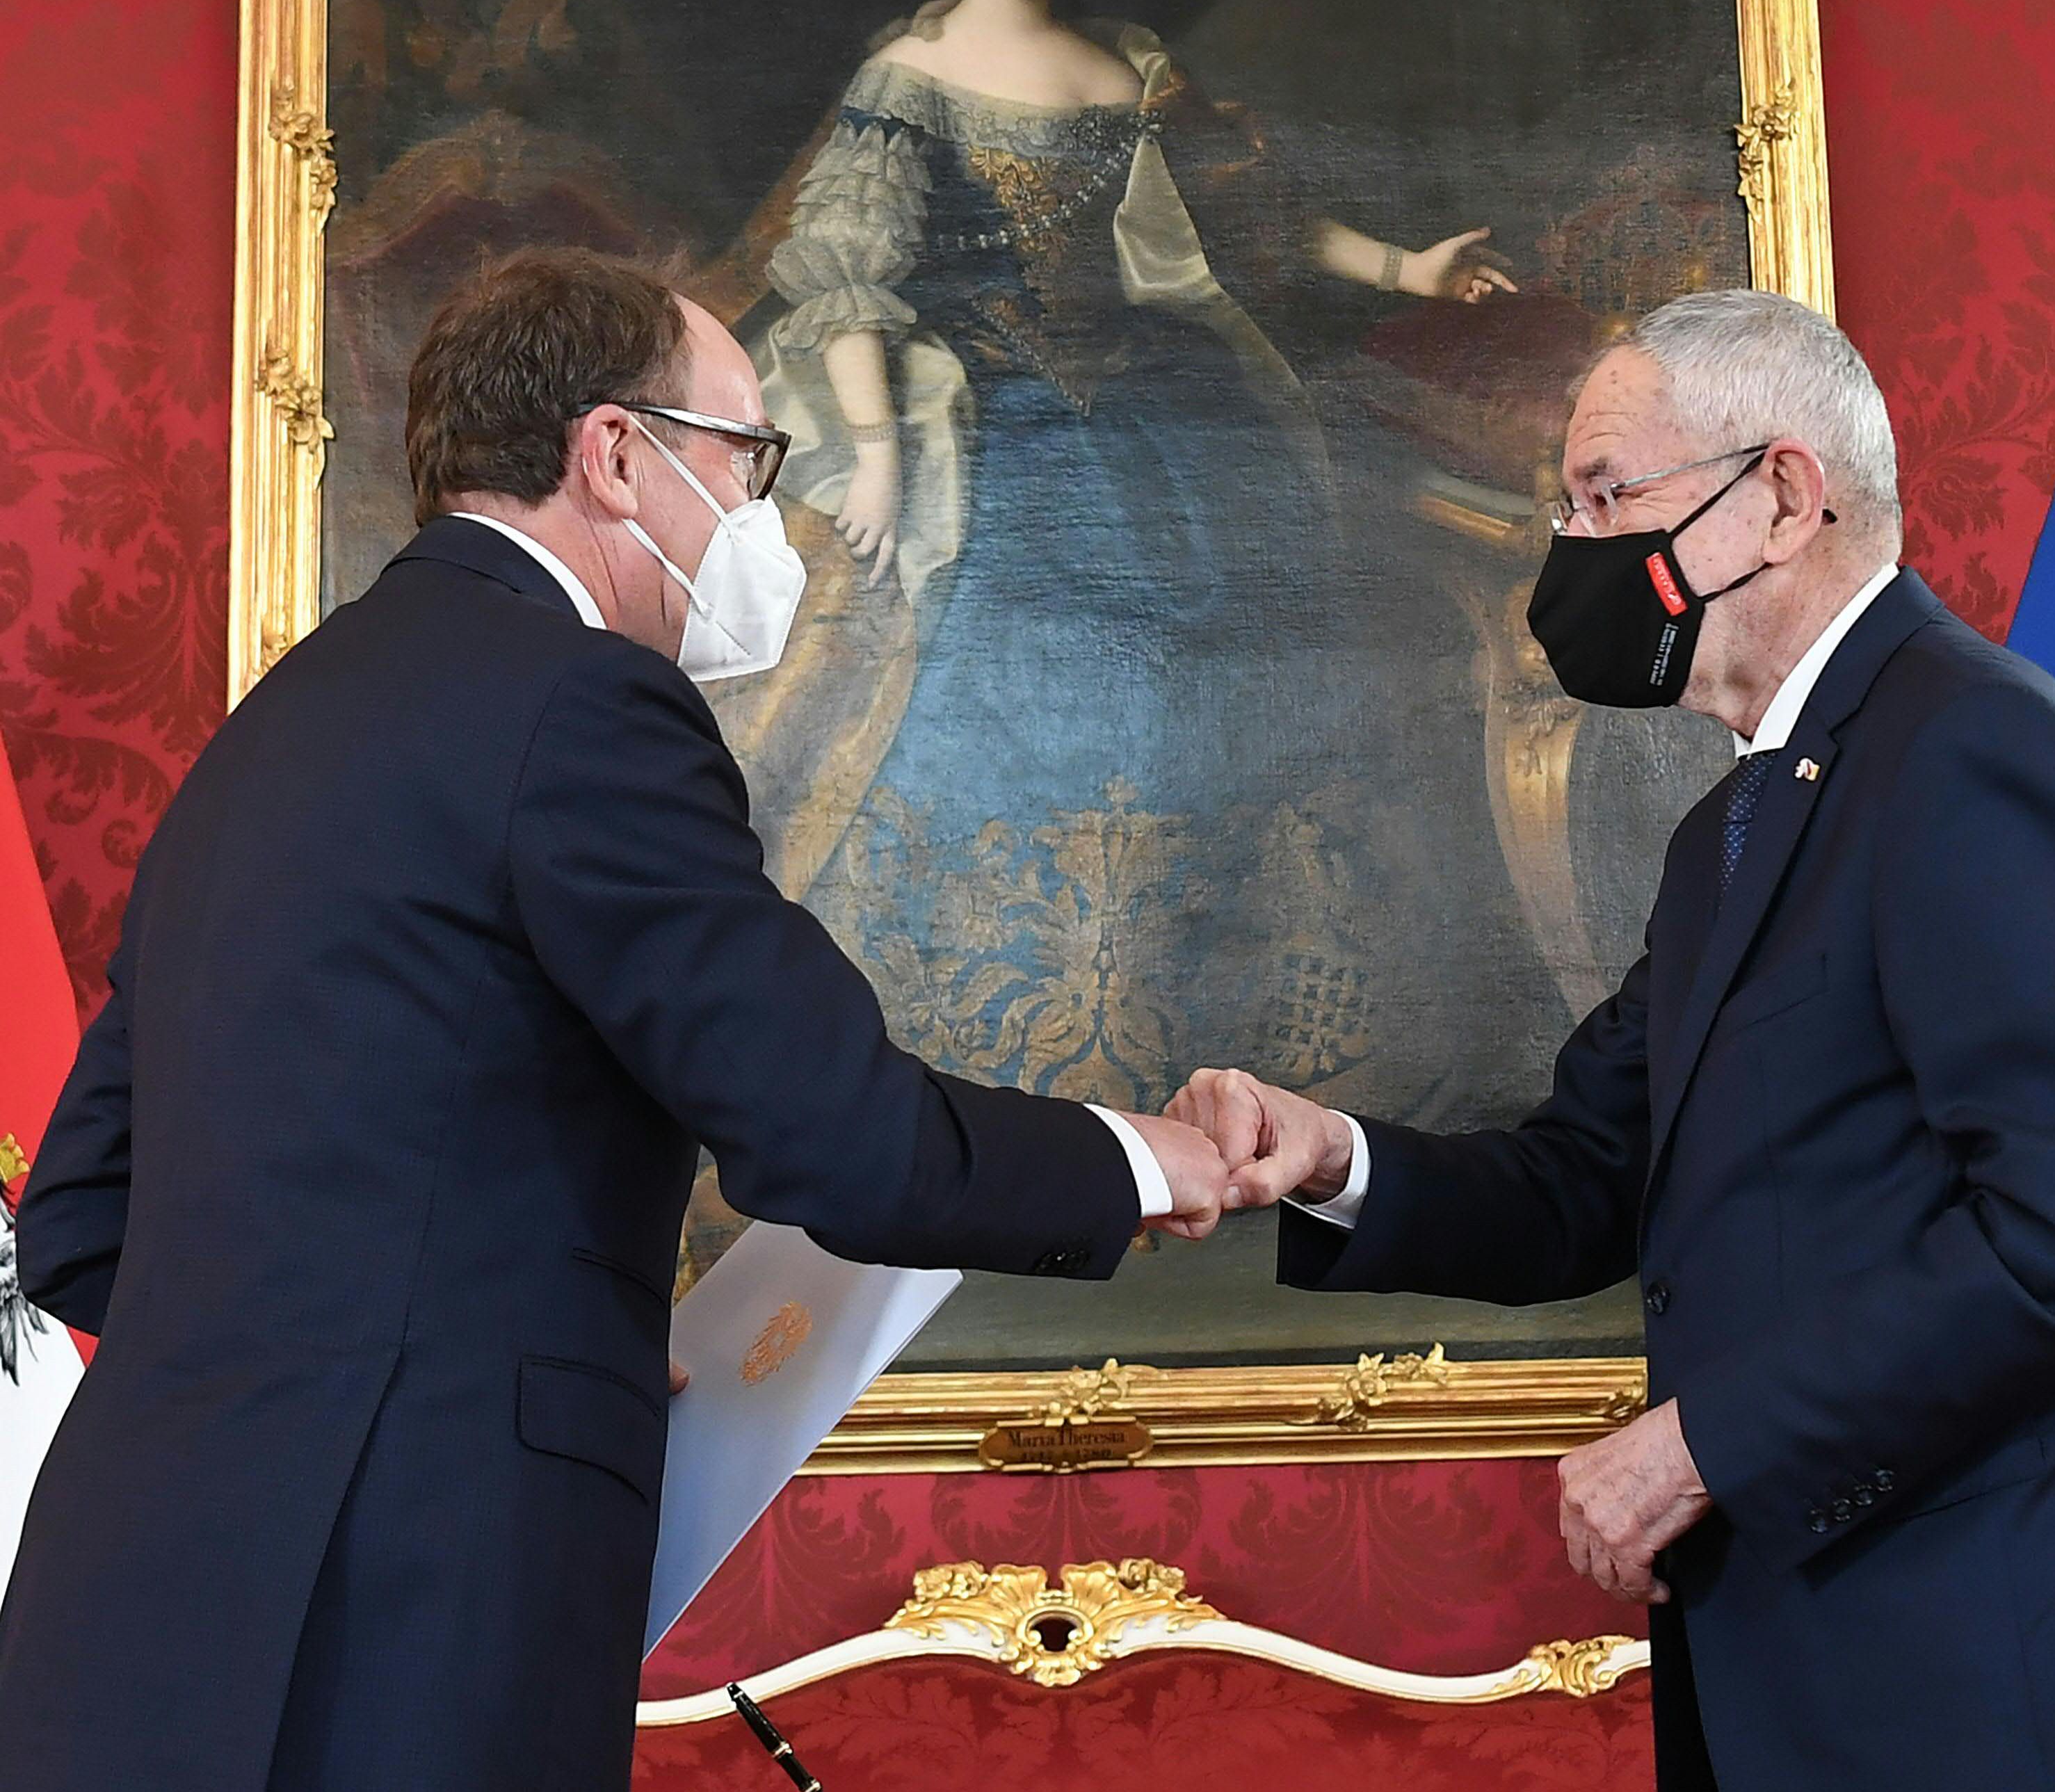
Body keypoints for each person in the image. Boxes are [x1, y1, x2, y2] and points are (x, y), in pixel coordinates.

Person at [0, 250, 1229, 1792]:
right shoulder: (581, 702)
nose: (764, 513)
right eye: (747, 455)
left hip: (123, 1623)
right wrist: (1151, 1161)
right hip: (404, 1634)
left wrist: (502, 1311)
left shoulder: (270, 729)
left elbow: (85, 1219)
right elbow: (841, 1138)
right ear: (616, 453)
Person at [1165, 289, 2055, 1790]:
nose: (1570, 550)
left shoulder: (1969, 745)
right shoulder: (1740, 819)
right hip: (1826, 1669)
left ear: (1782, 497)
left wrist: (1703, 1440)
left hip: (2003, 1667)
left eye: (1606, 494)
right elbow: (1585, 1173)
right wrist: (1328, 1156)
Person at [752, 0, 1513, 1099]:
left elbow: (1249, 219)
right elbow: (848, 270)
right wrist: (875, 451)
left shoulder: (1129, 68)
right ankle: (998, 1040)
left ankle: (1243, 1018)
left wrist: (1406, 268)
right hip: (989, 414)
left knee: (1255, 653)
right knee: (1021, 655)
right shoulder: (908, 81)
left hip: (1163, 406)